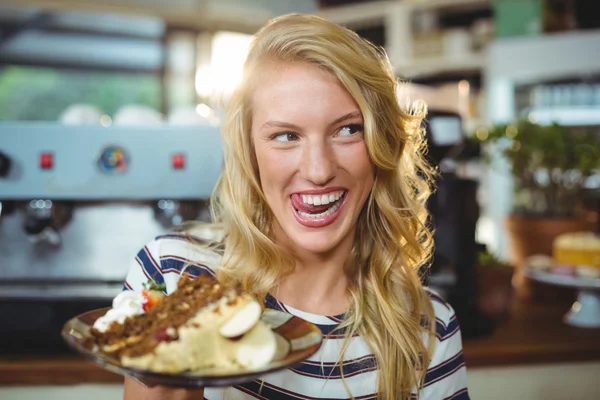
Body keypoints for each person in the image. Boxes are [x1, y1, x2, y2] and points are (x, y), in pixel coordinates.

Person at [123, 13, 469, 400]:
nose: (318, 171)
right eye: (286, 136)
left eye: (347, 129)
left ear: (380, 144)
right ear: (249, 151)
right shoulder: (172, 278)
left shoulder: (429, 329)